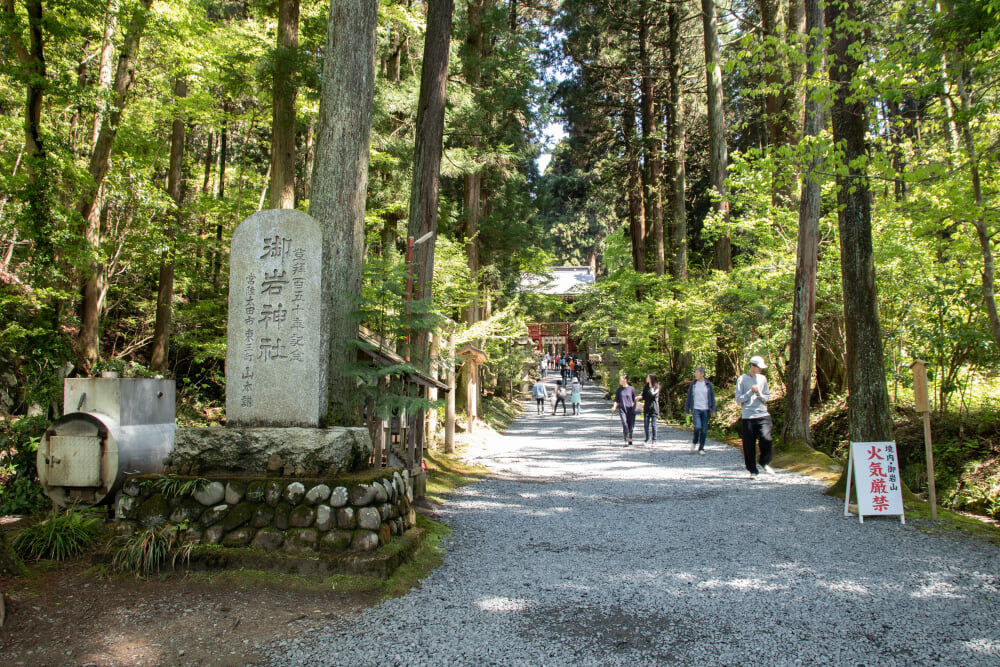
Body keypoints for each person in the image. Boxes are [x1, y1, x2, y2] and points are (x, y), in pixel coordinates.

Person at [736, 355, 774, 478]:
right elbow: (738, 399)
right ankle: (753, 470)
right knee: (749, 445)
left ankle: (764, 461)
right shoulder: (741, 379)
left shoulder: (763, 379)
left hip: (763, 414)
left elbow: (767, 397)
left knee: (767, 438)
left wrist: (759, 393)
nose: (761, 370)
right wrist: (750, 392)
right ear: (752, 366)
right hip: (748, 416)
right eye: (759, 367)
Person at [684, 366, 716, 455]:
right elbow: (689, 397)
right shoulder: (693, 385)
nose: (695, 374)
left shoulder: (708, 385)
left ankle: (701, 448)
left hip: (706, 409)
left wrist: (713, 410)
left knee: (704, 430)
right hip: (696, 409)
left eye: (697, 372)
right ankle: (694, 441)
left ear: (702, 374)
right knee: (698, 427)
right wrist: (687, 410)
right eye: (695, 372)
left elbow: (712, 398)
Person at [611, 374, 637, 445]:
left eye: (620, 379)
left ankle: (630, 438)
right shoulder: (619, 390)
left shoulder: (631, 389)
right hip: (622, 409)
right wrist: (614, 407)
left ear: (625, 380)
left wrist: (634, 403)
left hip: (631, 409)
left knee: (631, 425)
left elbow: (635, 398)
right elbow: (616, 400)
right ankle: (625, 439)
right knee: (625, 424)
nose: (619, 380)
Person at [641, 373, 660, 444]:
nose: (646, 378)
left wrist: (651, 389)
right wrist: (639, 397)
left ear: (651, 378)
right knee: (646, 424)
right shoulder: (646, 387)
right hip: (647, 408)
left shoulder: (657, 387)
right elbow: (643, 396)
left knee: (653, 424)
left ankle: (654, 440)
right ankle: (647, 438)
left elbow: (653, 395)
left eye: (648, 377)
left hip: (654, 408)